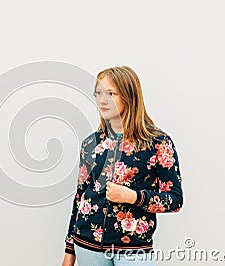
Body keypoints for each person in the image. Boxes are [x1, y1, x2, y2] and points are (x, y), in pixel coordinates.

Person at [62, 66, 183, 266]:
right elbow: (80, 197)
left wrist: (133, 197)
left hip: (133, 250)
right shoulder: (90, 144)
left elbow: (175, 200)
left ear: (129, 96)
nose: (102, 100)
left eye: (110, 93)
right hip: (87, 246)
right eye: (98, 93)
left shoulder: (158, 143)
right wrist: (69, 250)